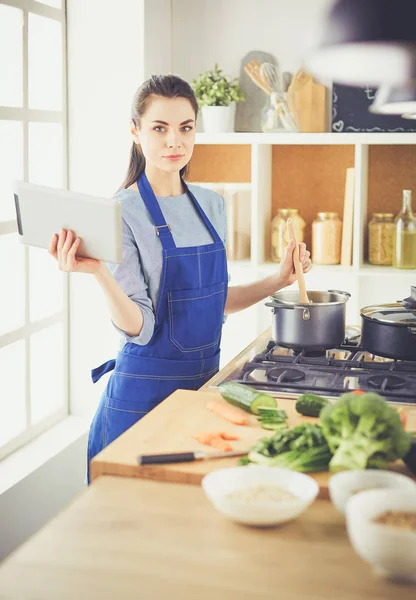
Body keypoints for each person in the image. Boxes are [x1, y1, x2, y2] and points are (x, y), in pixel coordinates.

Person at [48, 74, 312, 481]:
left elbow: (213, 301)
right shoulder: (121, 212)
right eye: (160, 128)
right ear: (135, 133)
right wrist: (100, 273)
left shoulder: (212, 205)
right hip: (141, 398)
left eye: (186, 128)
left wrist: (277, 280)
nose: (175, 141)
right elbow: (140, 326)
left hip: (203, 390)